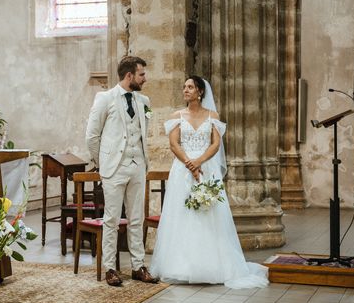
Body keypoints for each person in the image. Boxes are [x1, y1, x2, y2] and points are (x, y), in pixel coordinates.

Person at [149, 76, 268, 289]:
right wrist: (189, 163)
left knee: (209, 215)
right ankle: (180, 266)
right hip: (183, 170)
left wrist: (199, 161)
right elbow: (174, 143)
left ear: (200, 92)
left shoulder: (212, 116)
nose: (185, 90)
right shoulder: (177, 116)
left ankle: (212, 265)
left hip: (206, 167)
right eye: (184, 86)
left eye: (190, 87)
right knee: (183, 215)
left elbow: (215, 144)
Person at [86, 56, 158, 286]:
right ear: (129, 76)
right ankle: (110, 268)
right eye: (141, 74)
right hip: (113, 168)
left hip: (137, 166)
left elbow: (144, 131)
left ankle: (138, 266)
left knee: (137, 218)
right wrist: (102, 163)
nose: (145, 78)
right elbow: (92, 135)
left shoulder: (144, 101)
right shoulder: (105, 98)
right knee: (112, 220)